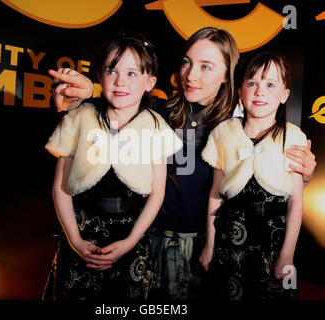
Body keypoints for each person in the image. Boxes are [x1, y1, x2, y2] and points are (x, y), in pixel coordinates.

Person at [48, 27, 316, 301]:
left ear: (227, 74)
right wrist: (78, 97)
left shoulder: (237, 127)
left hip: (211, 244)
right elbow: (109, 108)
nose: (191, 74)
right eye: (187, 62)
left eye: (206, 66)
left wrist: (303, 176)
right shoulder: (156, 113)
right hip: (148, 237)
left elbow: (267, 182)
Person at [42, 34, 182, 301]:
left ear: (150, 82)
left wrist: (130, 242)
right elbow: (61, 188)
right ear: (100, 76)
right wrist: (75, 240)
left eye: (132, 73)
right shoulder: (79, 118)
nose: (120, 81)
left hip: (130, 237)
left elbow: (157, 194)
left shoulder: (156, 128)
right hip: (81, 235)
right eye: (112, 71)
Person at [200, 51, 305, 300]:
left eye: (270, 84)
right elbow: (216, 195)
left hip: (274, 241)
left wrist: (287, 255)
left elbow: (296, 201)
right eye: (252, 83)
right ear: (240, 92)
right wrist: (210, 246)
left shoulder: (293, 136)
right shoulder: (222, 134)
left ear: (284, 95)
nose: (260, 91)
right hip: (231, 238)